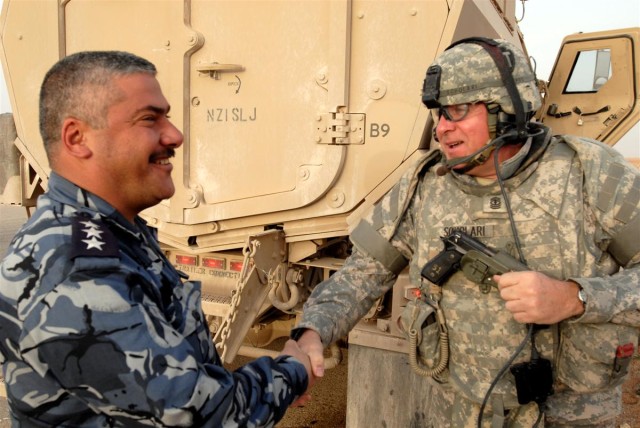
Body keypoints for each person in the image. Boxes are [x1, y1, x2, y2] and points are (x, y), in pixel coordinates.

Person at [292, 37, 640, 427]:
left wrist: (576, 298)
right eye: (438, 114)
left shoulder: (593, 176)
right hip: (459, 414)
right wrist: (311, 332)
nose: (442, 129)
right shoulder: (425, 185)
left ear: (505, 109)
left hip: (570, 417)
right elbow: (362, 274)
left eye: (457, 110)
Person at [0, 50, 313, 427]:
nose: (175, 135)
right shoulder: (73, 267)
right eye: (149, 118)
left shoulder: (112, 234)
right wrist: (293, 369)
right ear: (77, 138)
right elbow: (198, 414)